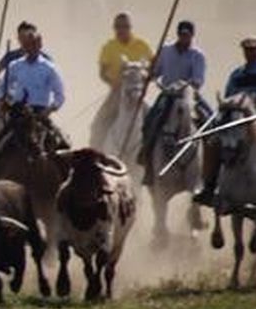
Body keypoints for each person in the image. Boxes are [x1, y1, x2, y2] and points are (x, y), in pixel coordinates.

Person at [195, 35, 256, 205]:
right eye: (247, 50)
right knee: (213, 143)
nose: (250, 53)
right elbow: (228, 97)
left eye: (253, 50)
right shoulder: (237, 74)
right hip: (239, 121)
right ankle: (209, 187)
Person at [140, 20, 211, 184]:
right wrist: (149, 73)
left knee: (211, 123)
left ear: (192, 35)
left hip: (189, 96)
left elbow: (198, 80)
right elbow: (156, 72)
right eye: (181, 34)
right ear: (177, 34)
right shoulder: (165, 51)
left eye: (187, 35)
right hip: (167, 95)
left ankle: (209, 174)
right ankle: (147, 165)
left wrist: (184, 86)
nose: (184, 37)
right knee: (149, 123)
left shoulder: (198, 55)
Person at [90, 12, 154, 146]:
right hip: (117, 93)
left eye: (125, 27)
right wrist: (113, 83)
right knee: (98, 124)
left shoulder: (142, 45)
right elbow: (102, 73)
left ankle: (150, 152)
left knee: (154, 121)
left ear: (130, 27)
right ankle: (96, 150)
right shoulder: (108, 47)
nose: (121, 30)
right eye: (118, 27)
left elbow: (154, 67)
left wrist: (146, 79)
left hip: (138, 93)